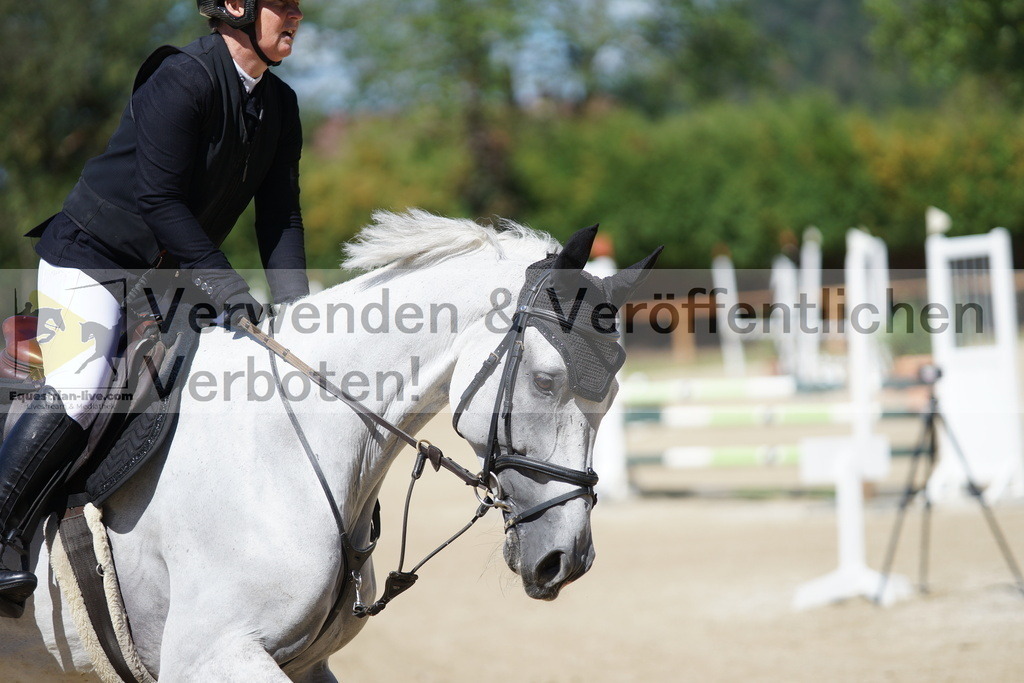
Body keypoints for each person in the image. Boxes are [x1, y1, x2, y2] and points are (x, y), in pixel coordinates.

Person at [0, 0, 308, 617]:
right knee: (84, 385)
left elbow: (280, 216)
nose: (296, 14)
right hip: (94, 258)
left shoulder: (280, 104)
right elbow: (160, 199)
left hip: (170, 275)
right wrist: (227, 287)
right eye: (283, 2)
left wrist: (299, 313)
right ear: (236, 6)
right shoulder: (182, 76)